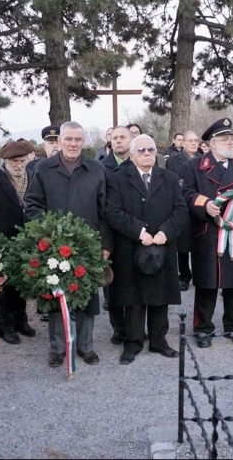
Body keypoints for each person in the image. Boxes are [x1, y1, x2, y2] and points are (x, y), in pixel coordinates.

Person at [25, 121, 113, 367]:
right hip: (54, 245)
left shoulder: (96, 169)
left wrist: (105, 244)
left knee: (86, 296)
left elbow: (106, 210)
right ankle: (58, 348)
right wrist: (49, 229)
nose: (73, 144)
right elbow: (32, 205)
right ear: (59, 141)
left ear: (83, 142)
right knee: (56, 296)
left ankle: (86, 346)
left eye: (78, 139)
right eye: (69, 139)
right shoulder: (43, 169)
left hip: (89, 245)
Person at [179, 118, 233, 348]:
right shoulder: (193, 166)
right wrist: (205, 204)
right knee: (207, 282)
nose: (231, 142)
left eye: (232, 138)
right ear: (212, 143)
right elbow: (186, 193)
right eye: (225, 139)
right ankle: (203, 328)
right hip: (209, 232)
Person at [106, 134, 189, 364]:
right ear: (131, 154)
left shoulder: (169, 178)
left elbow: (181, 211)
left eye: (150, 150)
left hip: (162, 246)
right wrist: (139, 232)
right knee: (133, 298)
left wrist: (164, 233)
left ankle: (158, 342)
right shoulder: (118, 178)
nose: (146, 154)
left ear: (156, 153)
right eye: (141, 150)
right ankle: (132, 344)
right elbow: (112, 211)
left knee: (159, 297)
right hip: (130, 246)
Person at [0, 141, 37, 344]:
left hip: (26, 238)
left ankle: (21, 321)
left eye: (22, 161)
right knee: (2, 284)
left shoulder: (33, 176)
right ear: (5, 160)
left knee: (22, 282)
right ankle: (4, 325)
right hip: (0, 238)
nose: (19, 165)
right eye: (15, 161)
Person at [100, 126, 133, 344]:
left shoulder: (140, 162)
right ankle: (118, 327)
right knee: (113, 285)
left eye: (123, 137)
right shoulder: (101, 167)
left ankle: (134, 326)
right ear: (110, 142)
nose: (119, 141)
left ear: (132, 140)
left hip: (134, 232)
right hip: (111, 233)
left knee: (133, 282)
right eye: (115, 138)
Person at [30, 125, 63, 323]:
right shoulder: (35, 167)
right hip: (44, 228)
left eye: (57, 141)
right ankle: (46, 307)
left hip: (69, 229)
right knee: (46, 270)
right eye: (50, 142)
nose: (54, 146)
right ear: (44, 145)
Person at [166, 131, 201, 291]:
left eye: (196, 140)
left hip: (201, 206)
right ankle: (184, 276)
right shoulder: (173, 161)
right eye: (190, 141)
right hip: (182, 206)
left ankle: (200, 274)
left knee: (200, 244)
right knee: (183, 244)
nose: (194, 143)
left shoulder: (204, 159)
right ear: (183, 143)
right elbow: (173, 183)